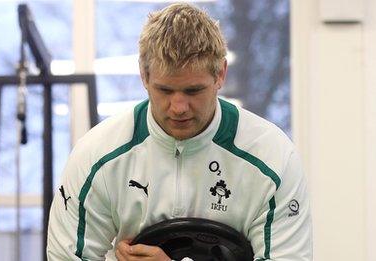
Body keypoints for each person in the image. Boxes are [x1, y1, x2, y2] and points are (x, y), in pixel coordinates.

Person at [47, 3, 312, 260]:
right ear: (144, 76)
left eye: (193, 90)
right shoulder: (96, 156)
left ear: (220, 74)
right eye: (164, 90)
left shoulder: (273, 159)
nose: (178, 107)